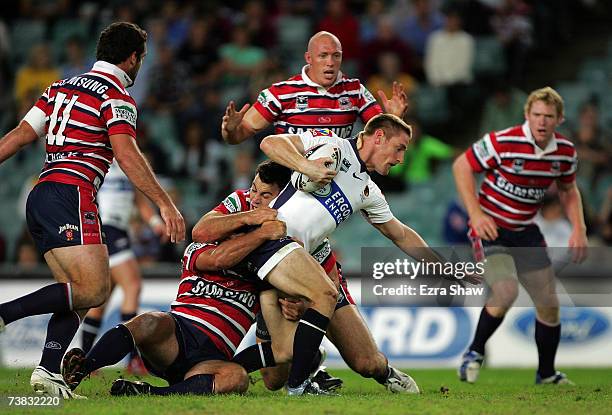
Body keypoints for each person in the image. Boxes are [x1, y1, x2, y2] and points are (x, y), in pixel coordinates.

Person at [213, 114, 460, 396]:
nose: (401, 158)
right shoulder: (331, 145)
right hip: (271, 242)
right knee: (324, 297)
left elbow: (400, 234)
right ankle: (301, 385)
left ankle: (218, 373)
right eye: (400, 148)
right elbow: (270, 142)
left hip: (300, 259)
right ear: (378, 138)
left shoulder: (369, 191)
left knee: (359, 362)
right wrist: (306, 166)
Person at [0, 22, 185, 398]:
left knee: (78, 293)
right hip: (73, 191)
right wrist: (165, 203)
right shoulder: (117, 97)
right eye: (140, 59)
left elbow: (20, 135)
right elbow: (127, 155)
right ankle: (4, 314)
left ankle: (48, 371)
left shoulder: (59, 87)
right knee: (96, 288)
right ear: (132, 58)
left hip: (41, 193)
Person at [193, 159, 424, 395]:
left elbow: (330, 281)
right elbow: (201, 231)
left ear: (285, 197)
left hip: (316, 291)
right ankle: (310, 361)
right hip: (269, 292)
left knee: (367, 363)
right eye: (253, 189)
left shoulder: (300, 223)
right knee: (273, 380)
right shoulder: (240, 202)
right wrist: (249, 218)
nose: (254, 199)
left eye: (265, 195)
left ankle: (387, 373)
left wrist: (304, 305)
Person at [61, 216, 287, 397]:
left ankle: (150, 393)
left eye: (243, 235)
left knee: (236, 377)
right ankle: (82, 367)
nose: (239, 239)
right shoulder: (198, 250)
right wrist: (262, 232)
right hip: (176, 337)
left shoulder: (260, 273)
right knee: (149, 320)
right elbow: (220, 259)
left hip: (211, 360)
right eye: (235, 233)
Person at [453, 87, 588, 385]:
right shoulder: (502, 141)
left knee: (549, 303)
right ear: (527, 115)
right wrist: (476, 214)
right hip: (491, 229)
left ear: (559, 119)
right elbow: (462, 165)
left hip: (525, 230)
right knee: (505, 291)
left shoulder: (564, 152)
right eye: (536, 115)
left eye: (548, 117)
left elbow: (568, 189)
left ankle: (546, 374)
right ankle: (473, 353)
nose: (541, 122)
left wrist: (579, 227)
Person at [221, 31, 408, 144]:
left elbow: (382, 137)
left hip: (335, 184)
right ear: (308, 58)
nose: (330, 63)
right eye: (323, 56)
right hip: (292, 183)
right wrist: (230, 131)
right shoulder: (281, 93)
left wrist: (395, 119)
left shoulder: (354, 90)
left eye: (336, 56)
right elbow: (240, 135)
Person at [80, 160, 166, 374]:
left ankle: (86, 360)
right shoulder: (99, 158)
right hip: (105, 227)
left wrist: (155, 223)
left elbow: (137, 199)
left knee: (101, 298)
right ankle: (134, 359)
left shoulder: (129, 161)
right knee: (133, 285)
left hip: (117, 229)